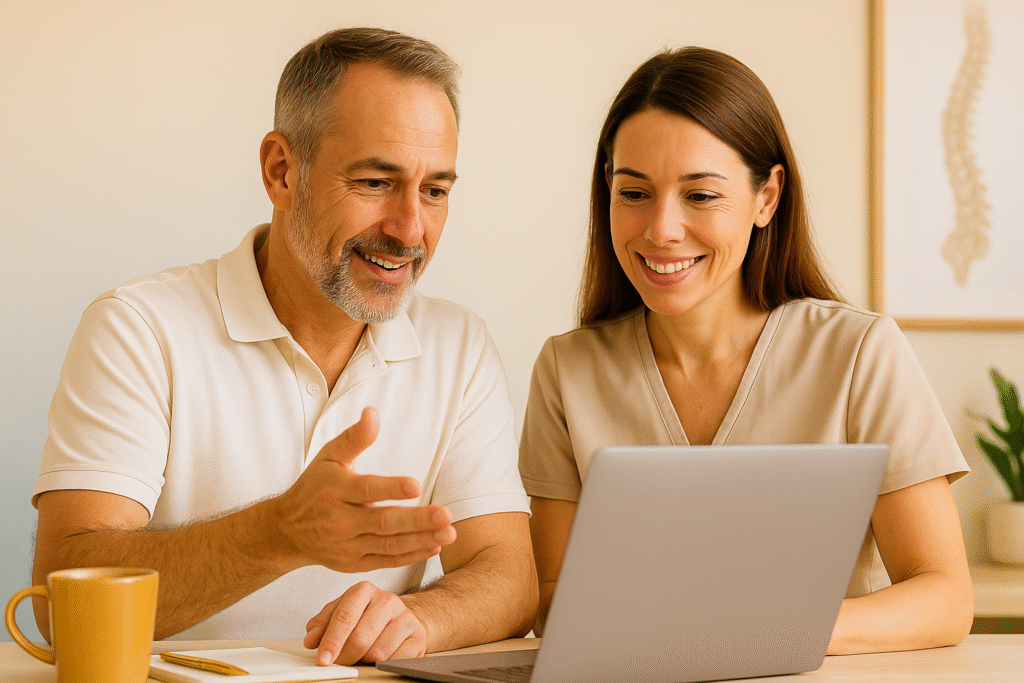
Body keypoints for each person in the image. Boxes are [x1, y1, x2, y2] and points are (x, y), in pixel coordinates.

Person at [32, 27, 537, 666]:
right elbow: (60, 601)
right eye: (376, 181)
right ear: (281, 172)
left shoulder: (458, 344)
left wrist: (419, 618)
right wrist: (279, 533)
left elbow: (510, 576)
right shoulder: (138, 328)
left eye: (435, 190)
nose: (410, 228)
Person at [519, 46, 974, 655]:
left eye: (700, 196)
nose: (661, 230)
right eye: (634, 193)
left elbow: (944, 598)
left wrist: (772, 631)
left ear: (767, 197)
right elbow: (554, 601)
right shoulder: (567, 372)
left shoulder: (859, 353)